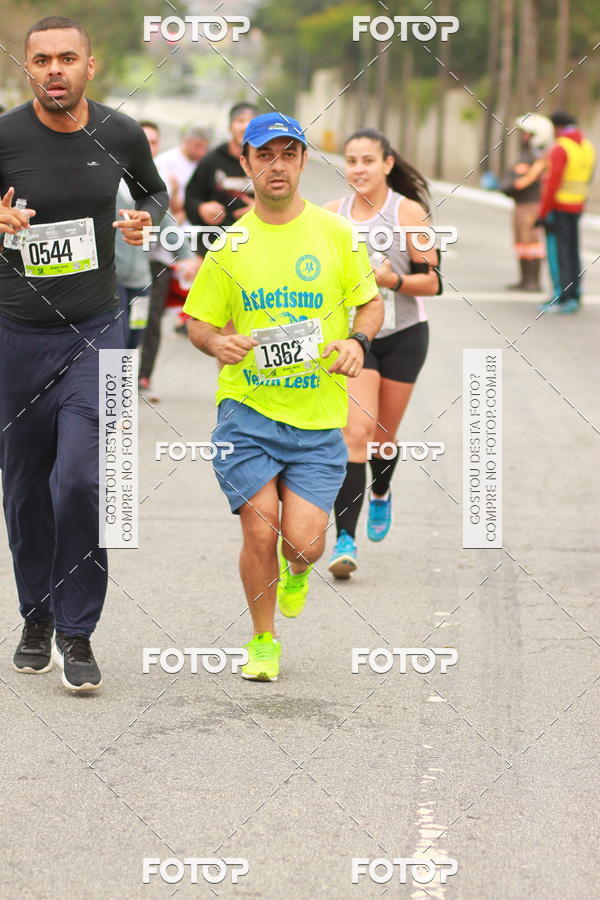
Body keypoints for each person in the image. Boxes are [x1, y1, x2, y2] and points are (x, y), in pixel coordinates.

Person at [182, 112, 383, 682]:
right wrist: (217, 342)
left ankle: (297, 570)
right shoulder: (231, 244)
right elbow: (198, 321)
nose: (276, 165)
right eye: (263, 155)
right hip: (246, 411)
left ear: (301, 161)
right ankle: (263, 640)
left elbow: (369, 303)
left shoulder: (336, 234)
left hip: (318, 416)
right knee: (258, 526)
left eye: (287, 154)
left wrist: (357, 341)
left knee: (305, 545)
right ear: (245, 164)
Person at [0, 16, 167, 691]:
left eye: (67, 58)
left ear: (89, 67)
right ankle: (35, 615)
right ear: (27, 68)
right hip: (14, 335)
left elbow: (153, 190)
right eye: (42, 60)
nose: (54, 70)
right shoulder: (7, 134)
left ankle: (77, 632)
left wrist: (144, 215)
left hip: (95, 331)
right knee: (23, 490)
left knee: (80, 481)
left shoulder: (120, 133)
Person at [324, 128, 439, 579]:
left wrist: (391, 280)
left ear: (387, 164)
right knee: (356, 432)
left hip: (406, 334)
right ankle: (345, 539)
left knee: (383, 437)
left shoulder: (408, 213)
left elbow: (433, 282)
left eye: (368, 160)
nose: (359, 169)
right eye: (351, 161)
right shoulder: (332, 216)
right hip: (358, 337)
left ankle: (381, 491)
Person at [137, 121, 199, 399]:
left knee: (151, 322)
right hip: (121, 264)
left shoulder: (160, 175)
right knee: (121, 323)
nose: (149, 146)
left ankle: (144, 377)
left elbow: (171, 220)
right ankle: (115, 380)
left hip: (156, 261)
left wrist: (184, 255)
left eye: (153, 141)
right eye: (144, 140)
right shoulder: (116, 171)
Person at [537, 111, 596, 314]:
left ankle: (563, 298)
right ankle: (576, 294)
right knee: (573, 252)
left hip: (560, 206)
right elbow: (588, 177)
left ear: (557, 127)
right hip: (577, 205)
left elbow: (552, 183)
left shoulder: (560, 148)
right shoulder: (587, 146)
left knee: (561, 254)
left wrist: (542, 212)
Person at [499, 114, 553, 292]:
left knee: (531, 243)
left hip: (531, 205)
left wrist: (513, 184)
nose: (523, 137)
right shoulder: (526, 155)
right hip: (521, 205)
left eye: (527, 134)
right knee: (521, 243)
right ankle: (524, 279)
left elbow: (522, 181)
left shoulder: (538, 158)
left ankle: (532, 281)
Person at [155, 124, 210, 223]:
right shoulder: (165, 161)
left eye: (204, 148)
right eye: (197, 146)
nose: (201, 152)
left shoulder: (205, 163)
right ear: (186, 141)